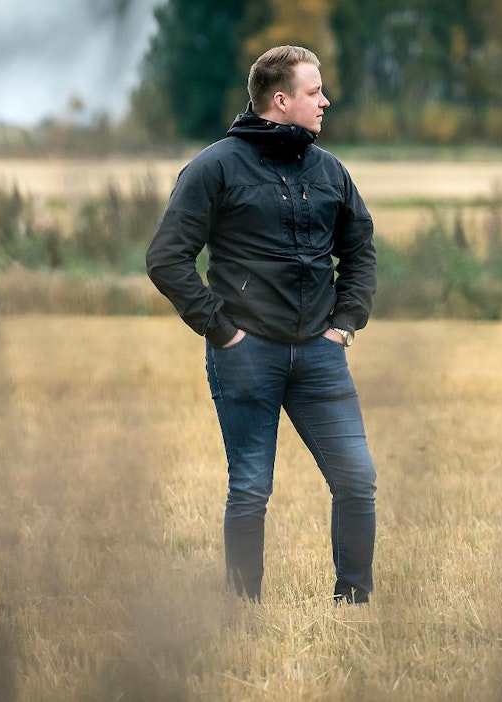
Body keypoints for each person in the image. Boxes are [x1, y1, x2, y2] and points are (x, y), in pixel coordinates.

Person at [146, 45, 378, 604]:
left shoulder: (329, 170)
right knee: (250, 487)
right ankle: (242, 608)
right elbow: (166, 258)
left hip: (320, 353)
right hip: (246, 353)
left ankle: (353, 602)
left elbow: (360, 250)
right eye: (314, 91)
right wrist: (221, 330)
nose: (325, 101)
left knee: (357, 479)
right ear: (280, 100)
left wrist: (345, 323)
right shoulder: (215, 168)